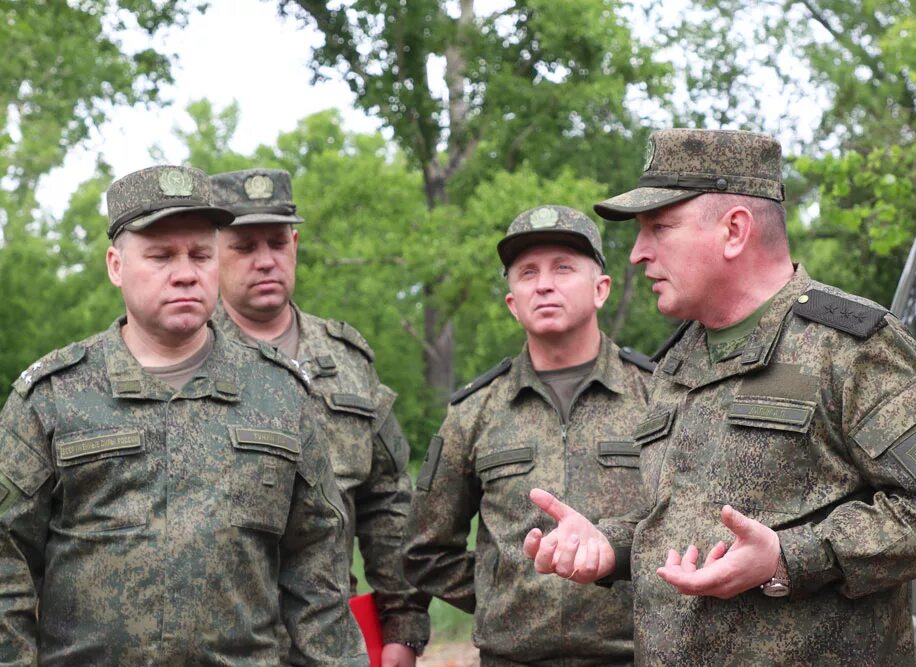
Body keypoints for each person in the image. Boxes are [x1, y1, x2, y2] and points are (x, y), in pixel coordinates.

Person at [523, 129, 916, 664]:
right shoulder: (677, 361)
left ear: (734, 230)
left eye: (659, 228)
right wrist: (612, 547)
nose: (636, 254)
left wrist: (790, 558)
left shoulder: (851, 347)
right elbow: (686, 520)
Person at [0, 165, 367, 664]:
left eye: (201, 255)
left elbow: (317, 573)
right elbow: (6, 564)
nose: (185, 272)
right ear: (115, 266)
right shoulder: (53, 396)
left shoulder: (280, 394)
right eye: (160, 256)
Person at [404, 205, 654, 665]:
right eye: (527, 273)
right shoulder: (473, 412)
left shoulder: (658, 397)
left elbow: (689, 524)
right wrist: (505, 596)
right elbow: (426, 548)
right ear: (512, 302)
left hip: (636, 656)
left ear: (601, 290)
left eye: (563, 268)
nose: (544, 284)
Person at [210, 168, 430, 665]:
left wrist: (403, 623)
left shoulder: (347, 359)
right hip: (219, 645)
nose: (265, 260)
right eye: (244, 247)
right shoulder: (187, 356)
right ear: (212, 253)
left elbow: (386, 500)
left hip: (330, 641)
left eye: (277, 242)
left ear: (296, 243)